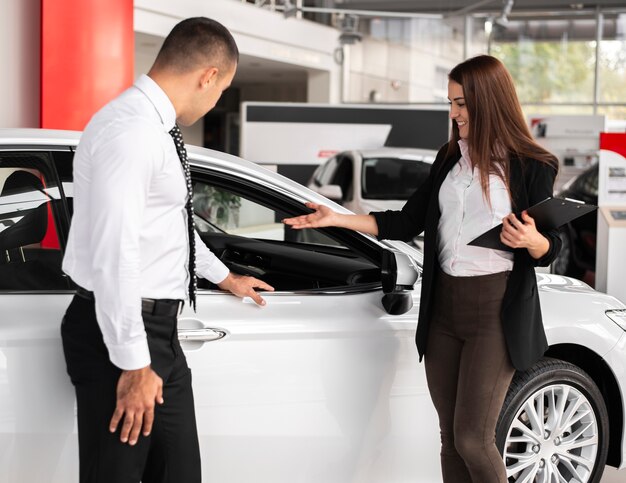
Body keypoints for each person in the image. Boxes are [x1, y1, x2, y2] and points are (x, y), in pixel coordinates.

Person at [283, 54, 561, 482]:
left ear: (490, 101)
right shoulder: (449, 159)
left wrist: (533, 241)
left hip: (495, 310)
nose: (454, 113)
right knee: (449, 438)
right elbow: (405, 221)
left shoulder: (532, 165)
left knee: (473, 438)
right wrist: (335, 218)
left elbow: (551, 244)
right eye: (451, 103)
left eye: (462, 104)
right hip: (443, 309)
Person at [61, 17, 273, 483]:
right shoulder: (131, 133)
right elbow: (115, 252)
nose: (217, 101)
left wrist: (223, 276)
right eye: (223, 90)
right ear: (208, 76)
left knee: (179, 472)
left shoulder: (154, 129)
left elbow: (168, 223)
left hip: (157, 334)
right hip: (120, 333)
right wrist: (134, 362)